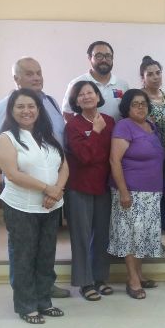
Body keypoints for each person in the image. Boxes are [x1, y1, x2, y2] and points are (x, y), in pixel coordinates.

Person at [0, 57, 69, 299]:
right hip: (24, 195)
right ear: (16, 79)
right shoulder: (4, 106)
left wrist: (56, 188)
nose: (36, 77)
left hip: (53, 190)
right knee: (24, 250)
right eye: (29, 73)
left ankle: (45, 288)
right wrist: (46, 187)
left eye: (39, 72)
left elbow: (59, 146)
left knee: (46, 248)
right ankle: (26, 297)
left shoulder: (49, 102)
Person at [108, 89, 165, 300]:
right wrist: (123, 192)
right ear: (127, 108)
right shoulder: (124, 126)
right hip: (131, 192)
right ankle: (132, 279)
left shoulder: (151, 126)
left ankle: (139, 275)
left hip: (151, 193)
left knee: (141, 236)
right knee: (131, 237)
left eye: (143, 103)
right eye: (135, 104)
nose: (140, 107)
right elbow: (115, 161)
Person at [65, 80, 115, 301]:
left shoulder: (110, 121)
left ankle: (100, 278)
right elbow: (84, 157)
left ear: (97, 96)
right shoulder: (73, 126)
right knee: (81, 236)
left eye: (90, 92)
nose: (86, 96)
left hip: (103, 186)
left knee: (103, 235)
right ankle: (85, 283)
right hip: (79, 187)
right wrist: (95, 131)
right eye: (81, 94)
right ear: (76, 101)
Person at [139, 55, 165, 232]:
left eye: (158, 73)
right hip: (149, 154)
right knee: (152, 191)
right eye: (150, 74)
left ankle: (164, 226)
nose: (155, 77)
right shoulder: (139, 98)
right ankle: (150, 229)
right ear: (143, 78)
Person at [62, 41, 129, 122]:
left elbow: (128, 113)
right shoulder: (77, 83)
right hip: (86, 134)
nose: (104, 60)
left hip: (117, 134)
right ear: (90, 58)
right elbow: (67, 113)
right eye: (99, 56)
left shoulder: (122, 85)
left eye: (108, 56)